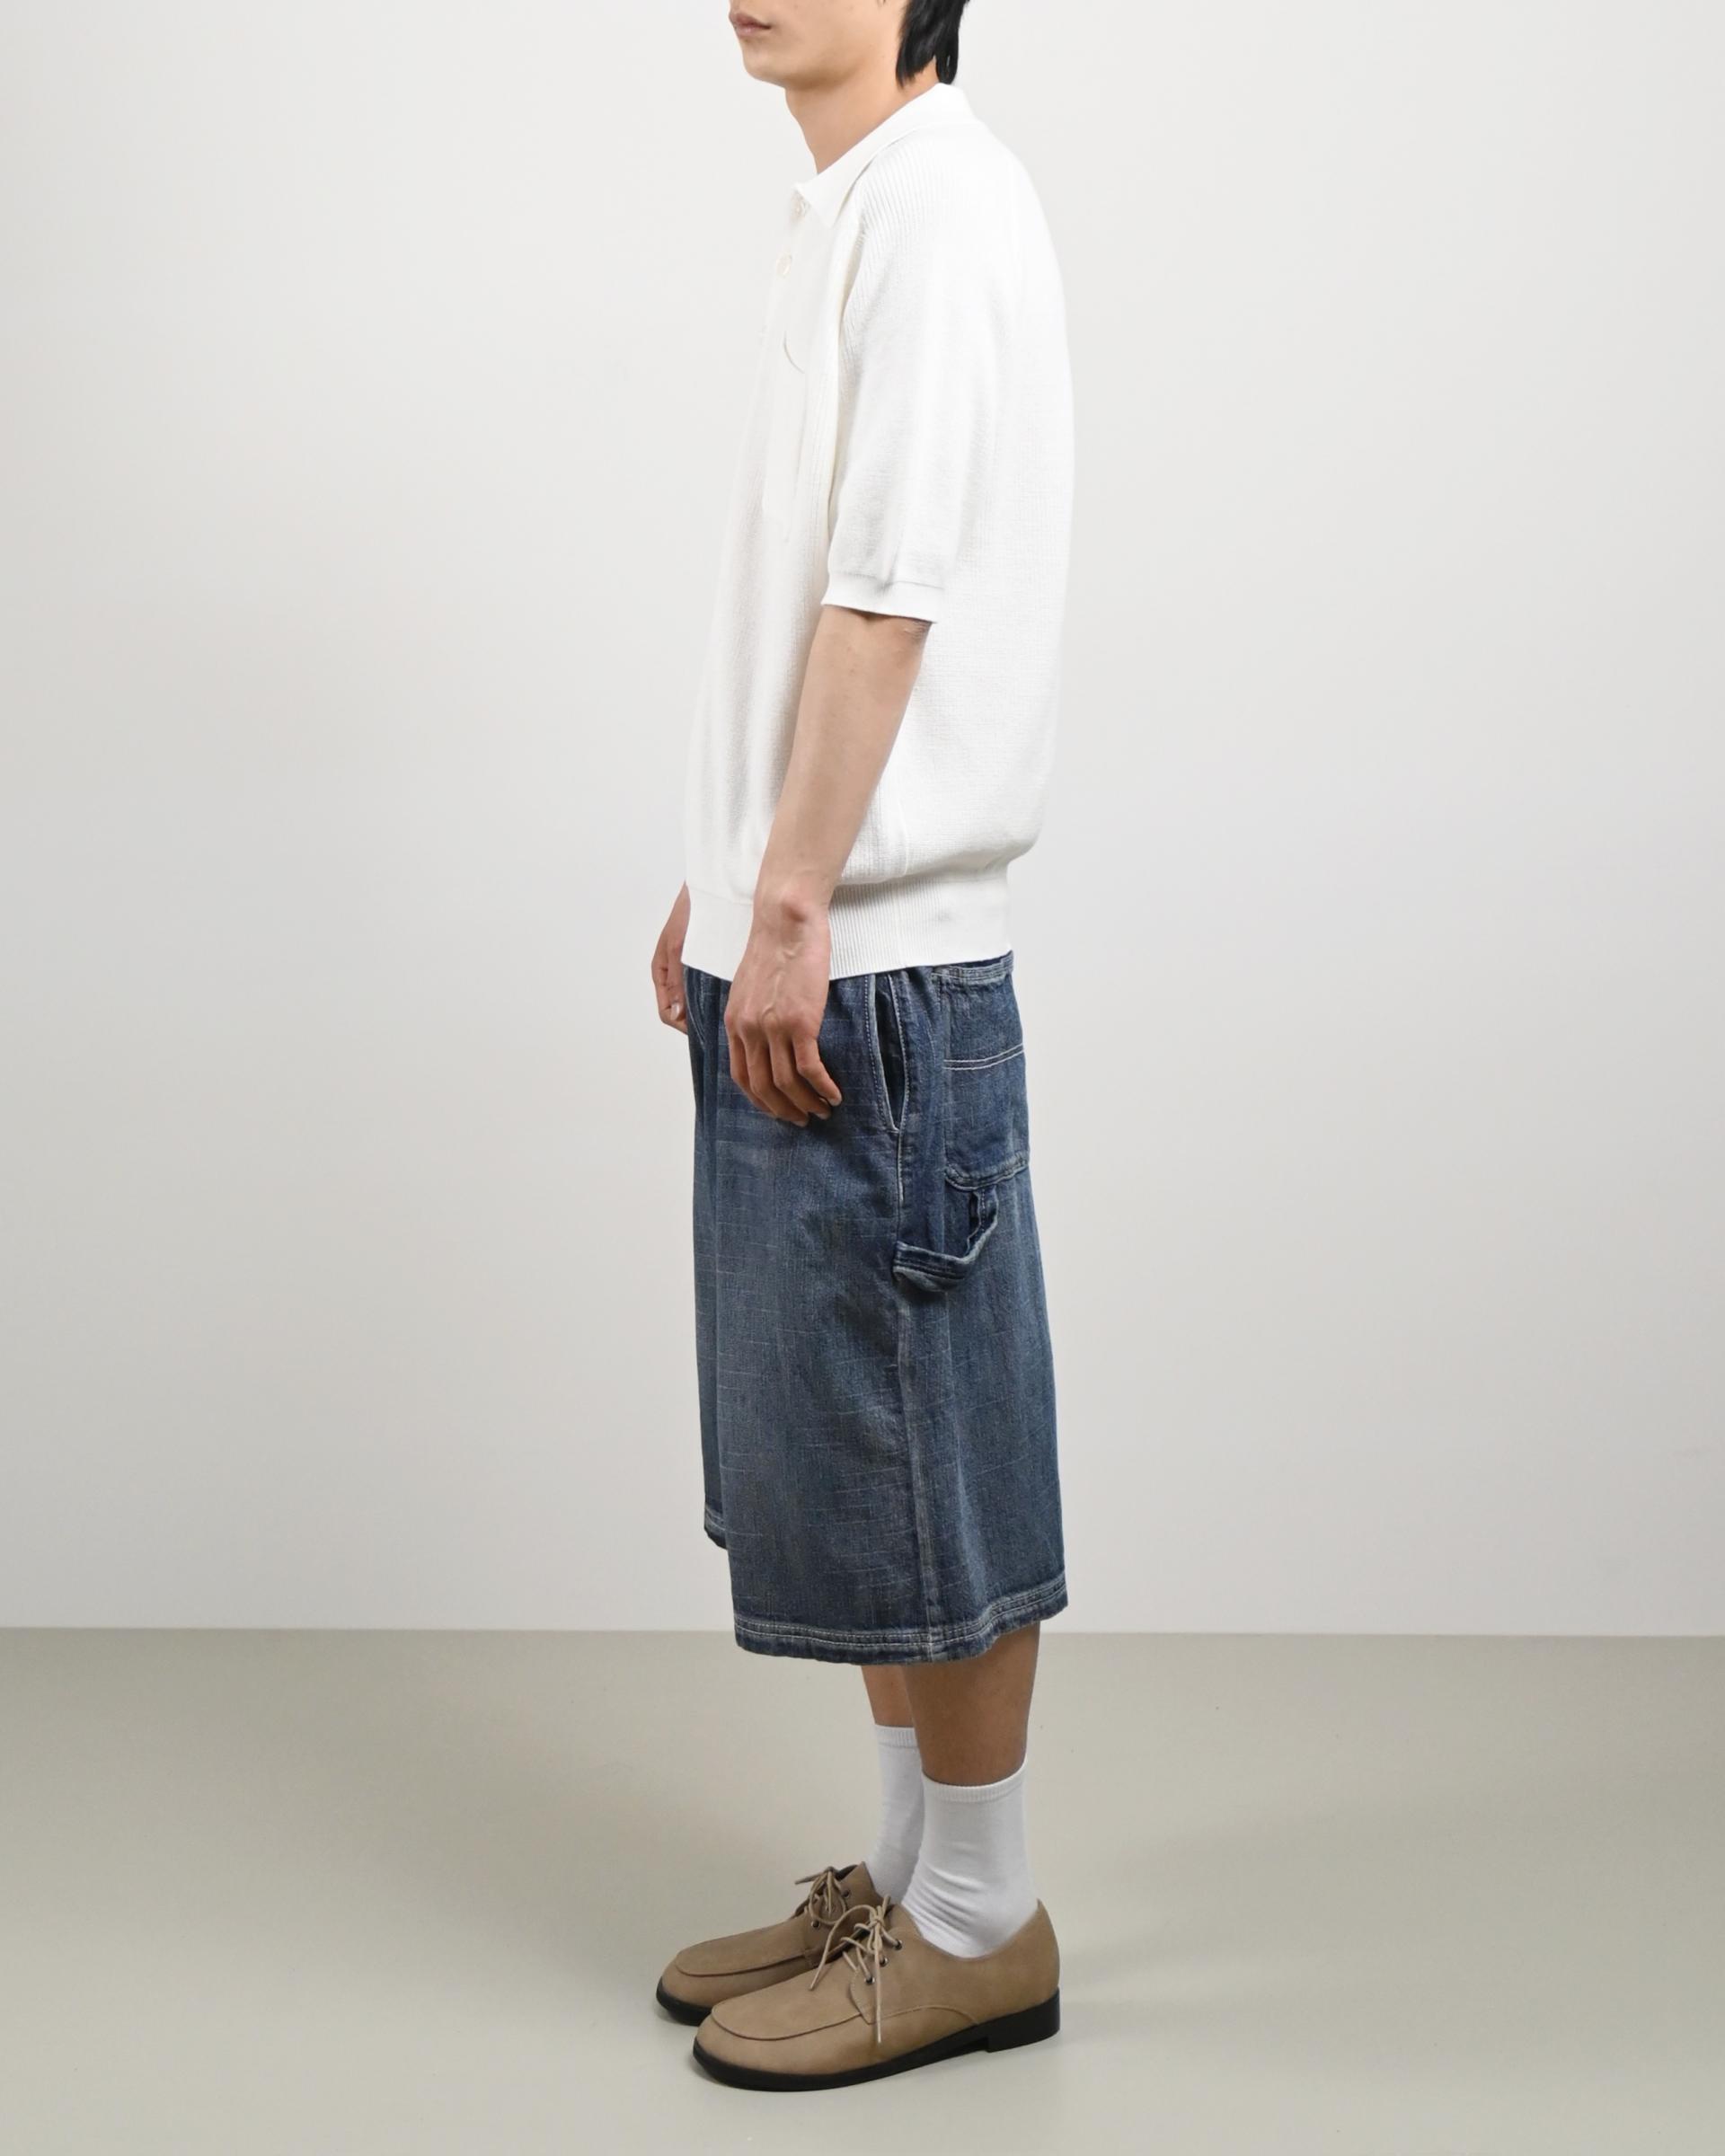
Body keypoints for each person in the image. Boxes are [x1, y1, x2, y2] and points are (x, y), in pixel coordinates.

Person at [648, 0, 1075, 2091]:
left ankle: (984, 1922)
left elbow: (890, 601)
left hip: (879, 966)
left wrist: (800, 902)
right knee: (854, 1469)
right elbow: (808, 595)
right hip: (819, 934)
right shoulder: (850, 204)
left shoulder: (936, 208)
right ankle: (911, 1886)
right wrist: (731, 876)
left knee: (930, 1456)